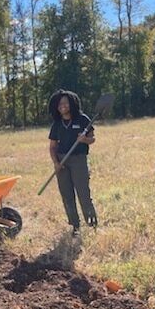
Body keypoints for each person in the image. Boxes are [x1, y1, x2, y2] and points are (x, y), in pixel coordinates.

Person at [48, 89, 98, 236]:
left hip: (78, 160)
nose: (63, 106)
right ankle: (75, 226)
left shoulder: (82, 119)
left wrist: (84, 140)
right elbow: (52, 147)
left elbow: (92, 138)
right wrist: (56, 163)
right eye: (60, 104)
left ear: (72, 103)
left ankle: (92, 223)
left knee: (83, 193)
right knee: (67, 195)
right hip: (62, 161)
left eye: (66, 103)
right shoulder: (56, 124)